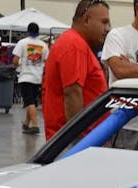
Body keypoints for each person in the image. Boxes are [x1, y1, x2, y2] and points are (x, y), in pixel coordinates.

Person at [41, 0, 111, 140]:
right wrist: (77, 141)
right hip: (77, 144)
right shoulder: (75, 45)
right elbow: (72, 94)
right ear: (86, 20)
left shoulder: (75, 43)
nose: (108, 28)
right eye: (104, 22)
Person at [13, 23, 48, 135]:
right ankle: (27, 123)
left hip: (25, 76)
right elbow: (47, 61)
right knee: (32, 100)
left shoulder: (22, 43)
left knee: (29, 101)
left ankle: (35, 125)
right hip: (38, 77)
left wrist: (17, 67)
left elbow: (15, 60)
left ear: (28, 31)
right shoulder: (43, 45)